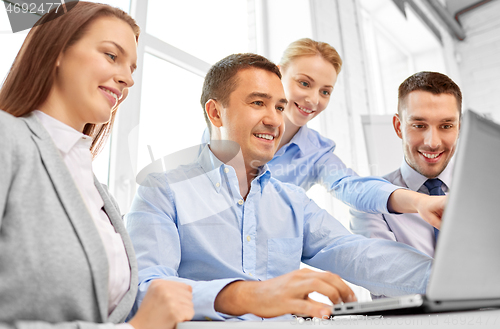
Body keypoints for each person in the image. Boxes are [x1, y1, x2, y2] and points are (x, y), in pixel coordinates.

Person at [126, 53, 433, 321]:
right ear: (215, 112)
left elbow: (358, 253)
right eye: (258, 103)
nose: (275, 120)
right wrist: (245, 296)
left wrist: (446, 276)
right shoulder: (163, 190)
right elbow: (145, 291)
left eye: (279, 107)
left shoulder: (292, 202)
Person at [0, 2, 193, 328]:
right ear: (57, 50)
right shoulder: (8, 138)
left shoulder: (96, 191)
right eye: (111, 55)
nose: (127, 79)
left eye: (132, 68)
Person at [200, 38, 446, 229]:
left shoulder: (316, 152)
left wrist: (418, 201)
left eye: (325, 91)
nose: (313, 100)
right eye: (304, 83)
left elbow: (352, 186)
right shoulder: (226, 127)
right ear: (278, 73)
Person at [350, 72, 461, 257]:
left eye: (446, 126)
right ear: (398, 126)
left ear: (459, 127)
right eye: (419, 125)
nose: (433, 143)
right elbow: (385, 277)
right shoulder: (370, 203)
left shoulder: (486, 192)